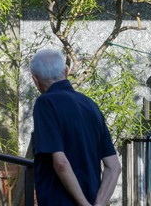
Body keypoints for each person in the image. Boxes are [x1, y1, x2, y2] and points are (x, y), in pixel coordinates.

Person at [30, 48, 121, 206]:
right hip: (93, 200)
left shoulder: (45, 103)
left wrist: (83, 204)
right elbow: (114, 166)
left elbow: (61, 163)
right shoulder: (90, 104)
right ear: (66, 71)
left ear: (35, 80)